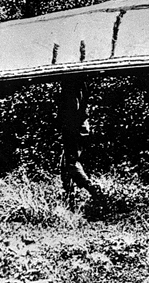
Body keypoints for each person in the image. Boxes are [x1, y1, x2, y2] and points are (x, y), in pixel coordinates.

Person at [56, 77, 102, 205]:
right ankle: (68, 197)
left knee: (70, 163)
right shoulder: (82, 84)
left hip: (73, 128)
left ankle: (92, 189)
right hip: (78, 126)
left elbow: (73, 108)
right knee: (65, 163)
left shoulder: (71, 87)